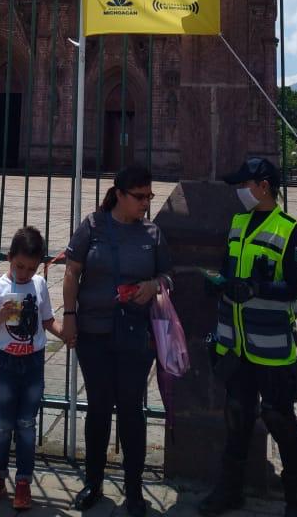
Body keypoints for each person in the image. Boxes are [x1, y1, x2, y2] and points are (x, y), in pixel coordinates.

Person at [199, 158, 297, 517]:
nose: (239, 191)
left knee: (279, 419)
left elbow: (293, 286)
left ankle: (296, 501)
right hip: (236, 343)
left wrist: (256, 287)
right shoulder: (237, 223)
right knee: (237, 416)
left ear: (263, 185)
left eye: (244, 184)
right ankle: (229, 493)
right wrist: (219, 282)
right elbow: (230, 269)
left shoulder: (291, 230)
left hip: (271, 345)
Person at [61, 167, 172, 517]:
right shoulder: (92, 225)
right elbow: (71, 271)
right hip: (94, 331)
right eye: (140, 197)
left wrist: (154, 285)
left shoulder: (152, 234)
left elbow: (169, 276)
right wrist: (68, 316)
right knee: (97, 408)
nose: (146, 203)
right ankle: (93, 482)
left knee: (130, 410)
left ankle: (135, 489)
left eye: (149, 197)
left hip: (135, 335)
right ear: (120, 194)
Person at [0, 226, 63, 511]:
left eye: (30, 267)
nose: (24, 273)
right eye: (19, 266)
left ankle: (24, 481)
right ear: (8, 258)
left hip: (32, 361)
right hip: (5, 361)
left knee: (26, 424)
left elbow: (48, 319)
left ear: (38, 265)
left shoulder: (38, 285)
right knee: (2, 424)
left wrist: (66, 334)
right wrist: (0, 317)